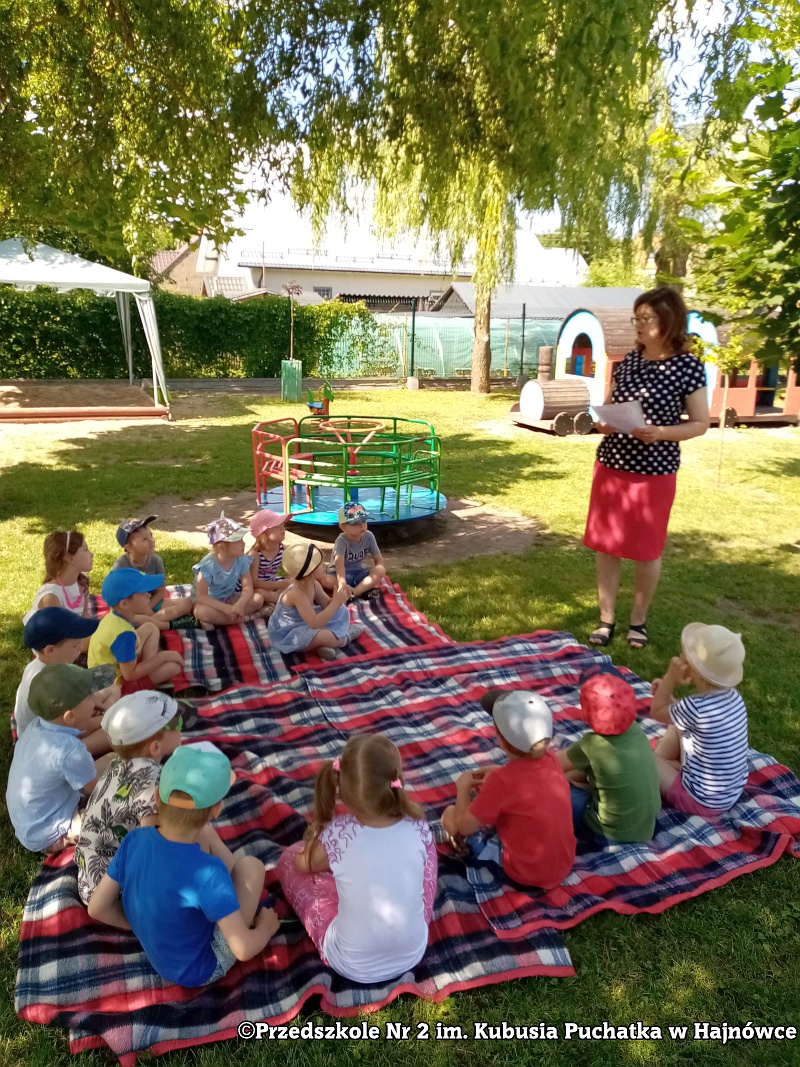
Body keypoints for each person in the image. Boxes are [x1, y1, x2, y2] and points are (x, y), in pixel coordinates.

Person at [88, 743, 280, 987]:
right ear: (217, 810)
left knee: (206, 835)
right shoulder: (209, 873)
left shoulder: (133, 839)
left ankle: (227, 903)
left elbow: (97, 908)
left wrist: (142, 927)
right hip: (201, 967)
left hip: (161, 957)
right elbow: (242, 949)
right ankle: (232, 905)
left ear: (157, 796)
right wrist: (265, 928)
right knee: (251, 867)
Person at [584, 287, 710, 650]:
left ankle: (637, 621)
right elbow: (608, 407)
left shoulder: (688, 367)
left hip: (654, 473)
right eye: (635, 318)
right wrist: (604, 423)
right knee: (606, 546)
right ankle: (606, 619)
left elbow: (700, 423)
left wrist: (661, 433)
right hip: (612, 466)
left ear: (668, 321)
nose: (638, 324)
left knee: (646, 549)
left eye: (645, 318)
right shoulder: (628, 362)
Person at [277, 734, 437, 983]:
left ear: (345, 792)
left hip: (349, 963)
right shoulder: (418, 826)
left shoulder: (339, 833)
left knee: (289, 859)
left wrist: (322, 837)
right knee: (427, 851)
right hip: (413, 952)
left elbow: (303, 864)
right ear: (397, 779)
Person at [75, 690, 229, 905]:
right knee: (202, 834)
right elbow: (155, 845)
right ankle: (230, 892)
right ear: (155, 747)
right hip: (115, 892)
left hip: (89, 879)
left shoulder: (117, 764)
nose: (181, 728)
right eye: (176, 724)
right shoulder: (153, 785)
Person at [441, 689, 575, 889]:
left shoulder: (501, 781)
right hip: (562, 866)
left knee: (449, 815)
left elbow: (465, 826)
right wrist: (498, 773)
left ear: (500, 740)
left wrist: (463, 787)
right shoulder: (552, 761)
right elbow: (525, 781)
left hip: (525, 873)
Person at [6, 663, 118, 853]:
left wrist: (109, 716)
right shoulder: (70, 751)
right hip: (49, 831)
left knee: (113, 760)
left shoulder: (37, 726)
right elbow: (97, 790)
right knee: (118, 811)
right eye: (90, 696)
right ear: (70, 715)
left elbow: (82, 726)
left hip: (34, 818)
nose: (95, 699)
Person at [650, 623, 748, 816]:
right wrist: (666, 694)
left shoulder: (695, 707)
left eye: (685, 656)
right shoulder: (734, 697)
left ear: (695, 670)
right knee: (675, 726)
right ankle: (663, 764)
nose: (680, 656)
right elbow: (687, 717)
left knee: (640, 756)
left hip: (699, 800)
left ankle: (656, 767)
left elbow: (657, 712)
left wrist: (670, 679)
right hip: (728, 793)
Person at [556, 665, 661, 844]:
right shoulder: (636, 730)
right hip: (647, 825)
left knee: (555, 793)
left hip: (609, 832)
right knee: (585, 771)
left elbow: (551, 764)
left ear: (585, 713)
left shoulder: (592, 745)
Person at [14, 607, 103, 741]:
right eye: (75, 645)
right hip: (52, 743)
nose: (80, 648)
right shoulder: (53, 685)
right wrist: (108, 717)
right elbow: (77, 727)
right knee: (112, 730)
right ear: (50, 650)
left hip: (54, 728)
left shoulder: (38, 666)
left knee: (110, 691)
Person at [88, 570, 184, 691]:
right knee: (173, 667)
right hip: (114, 686)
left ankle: (147, 669)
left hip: (110, 669)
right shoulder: (124, 635)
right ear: (124, 604)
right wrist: (164, 656)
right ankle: (144, 685)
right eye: (142, 593)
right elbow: (129, 675)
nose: (149, 595)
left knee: (150, 627)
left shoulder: (116, 616)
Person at [267, 543, 362, 660]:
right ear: (310, 571)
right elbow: (315, 623)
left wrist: (338, 599)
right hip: (289, 633)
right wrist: (336, 603)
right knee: (325, 636)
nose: (324, 565)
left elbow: (327, 604)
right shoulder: (296, 593)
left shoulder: (314, 584)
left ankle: (321, 646)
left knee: (341, 610)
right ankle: (345, 638)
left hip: (306, 621)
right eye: (320, 564)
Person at [112, 516, 194, 629]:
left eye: (151, 535)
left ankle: (147, 623)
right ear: (128, 548)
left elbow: (160, 592)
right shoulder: (120, 566)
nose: (151, 541)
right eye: (144, 539)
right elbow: (117, 599)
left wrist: (148, 609)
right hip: (132, 608)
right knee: (125, 618)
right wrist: (140, 610)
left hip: (152, 603)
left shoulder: (156, 561)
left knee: (186, 603)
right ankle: (167, 624)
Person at [192, 512, 264, 630]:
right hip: (211, 603)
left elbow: (247, 588)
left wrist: (240, 604)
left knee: (258, 599)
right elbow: (201, 596)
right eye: (238, 540)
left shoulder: (241, 560)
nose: (244, 543)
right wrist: (226, 609)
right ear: (223, 546)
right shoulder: (208, 565)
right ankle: (242, 618)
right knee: (200, 611)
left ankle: (225, 619)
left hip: (230, 598)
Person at [23, 530, 93, 625]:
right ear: (69, 558)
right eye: (85, 549)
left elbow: (85, 614)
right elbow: (58, 631)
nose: (91, 554)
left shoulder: (81, 581)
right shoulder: (52, 596)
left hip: (73, 630)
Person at [329, 501, 387, 600]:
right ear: (343, 527)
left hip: (358, 573)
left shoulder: (369, 536)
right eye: (356, 523)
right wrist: (342, 584)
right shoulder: (341, 541)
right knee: (326, 580)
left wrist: (377, 575)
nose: (362, 525)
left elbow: (379, 561)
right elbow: (339, 565)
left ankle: (353, 592)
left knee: (380, 570)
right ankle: (359, 589)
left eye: (364, 521)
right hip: (338, 574)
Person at [248, 509, 289, 607]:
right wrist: (280, 585)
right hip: (257, 588)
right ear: (264, 533)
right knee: (259, 594)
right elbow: (254, 583)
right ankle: (282, 600)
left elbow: (292, 569)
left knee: (296, 584)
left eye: (283, 525)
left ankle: (276, 600)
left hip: (272, 584)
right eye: (278, 526)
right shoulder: (255, 555)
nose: (283, 529)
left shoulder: (282, 548)